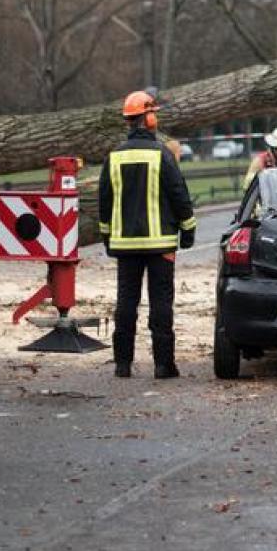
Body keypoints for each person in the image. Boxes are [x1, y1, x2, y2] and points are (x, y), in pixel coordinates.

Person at [98, 91, 197, 379]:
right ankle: (164, 364)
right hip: (161, 244)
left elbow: (105, 201)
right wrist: (188, 228)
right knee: (161, 303)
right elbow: (179, 193)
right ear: (150, 117)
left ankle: (122, 364)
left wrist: (107, 237)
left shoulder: (114, 157)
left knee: (126, 303)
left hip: (125, 245)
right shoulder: (162, 154)